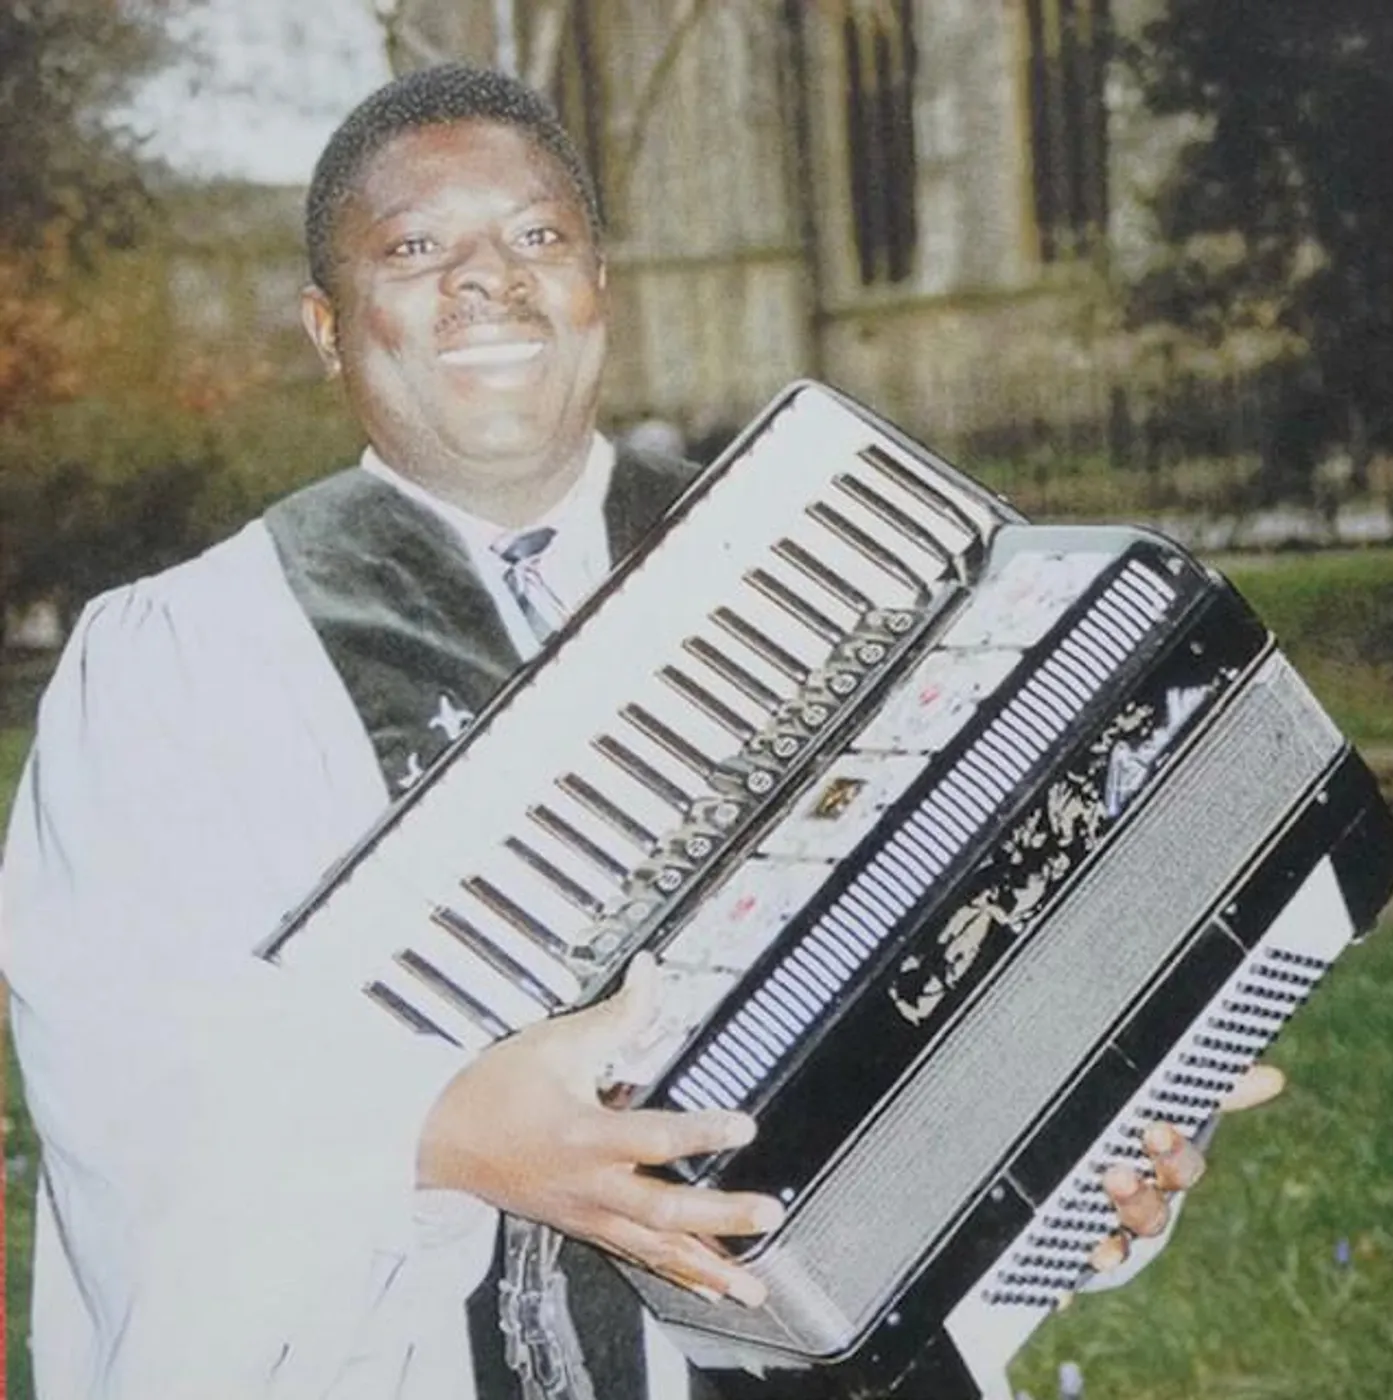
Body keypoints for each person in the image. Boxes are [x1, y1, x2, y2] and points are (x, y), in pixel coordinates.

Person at [2, 63, 1273, 1400]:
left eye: (537, 236)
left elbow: (963, 963)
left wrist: (1081, 1155)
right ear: (327, 326)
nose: (488, 280)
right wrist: (436, 1139)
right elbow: (132, 1079)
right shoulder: (186, 662)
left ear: (599, 284)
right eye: (416, 248)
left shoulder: (838, 570)